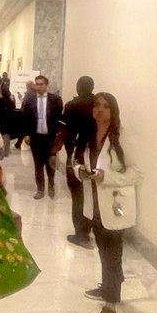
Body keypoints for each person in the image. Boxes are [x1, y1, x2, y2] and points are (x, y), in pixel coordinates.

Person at [74, 92, 143, 313]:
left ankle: (110, 305)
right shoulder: (89, 134)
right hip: (94, 204)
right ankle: (108, 287)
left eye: (106, 106)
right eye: (96, 106)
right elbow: (78, 162)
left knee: (112, 254)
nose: (100, 110)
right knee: (105, 251)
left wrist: (106, 176)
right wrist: (80, 171)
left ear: (113, 110)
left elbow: (137, 173)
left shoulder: (123, 137)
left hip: (116, 206)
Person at [63, 76, 96, 247]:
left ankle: (80, 234)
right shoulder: (97, 104)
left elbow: (63, 130)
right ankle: (89, 229)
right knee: (90, 195)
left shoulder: (71, 106)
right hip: (95, 157)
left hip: (76, 156)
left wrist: (57, 149)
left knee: (77, 195)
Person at [22, 74, 63, 199]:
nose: (38, 86)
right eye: (37, 84)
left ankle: (51, 184)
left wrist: (57, 137)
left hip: (50, 138)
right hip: (36, 137)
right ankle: (40, 189)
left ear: (46, 85)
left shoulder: (55, 100)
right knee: (38, 165)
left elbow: (58, 119)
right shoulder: (30, 100)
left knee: (50, 164)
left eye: (41, 84)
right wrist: (26, 134)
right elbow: (25, 118)